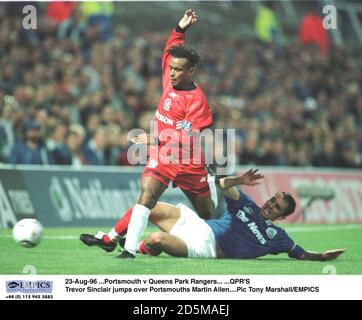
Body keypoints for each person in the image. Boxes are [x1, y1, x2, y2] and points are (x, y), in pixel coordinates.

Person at [114, 9, 215, 258]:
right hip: (164, 156)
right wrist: (180, 29)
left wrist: (155, 137)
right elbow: (172, 47)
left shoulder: (197, 101)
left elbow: (188, 138)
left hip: (189, 162)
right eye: (171, 68)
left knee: (207, 213)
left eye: (179, 70)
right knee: (147, 195)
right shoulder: (169, 79)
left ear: (190, 72)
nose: (172, 73)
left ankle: (216, 229)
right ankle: (129, 251)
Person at [80, 169, 346, 261]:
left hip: (205, 246)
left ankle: (137, 247)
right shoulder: (248, 205)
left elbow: (299, 253)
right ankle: (110, 238)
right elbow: (219, 185)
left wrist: (320, 256)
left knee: (154, 240)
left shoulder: (278, 237)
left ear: (281, 216)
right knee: (146, 206)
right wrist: (239, 179)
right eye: (272, 200)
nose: (270, 205)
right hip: (199, 225)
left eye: (276, 207)